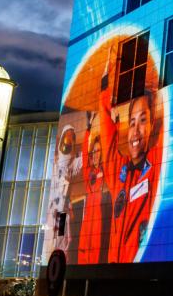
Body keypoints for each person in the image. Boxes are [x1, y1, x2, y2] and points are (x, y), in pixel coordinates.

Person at [99, 72, 161, 263]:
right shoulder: (118, 171)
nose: (135, 131)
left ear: (152, 125)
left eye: (142, 120)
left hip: (141, 266)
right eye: (132, 123)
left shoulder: (156, 166)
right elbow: (107, 134)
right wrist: (105, 89)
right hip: (114, 269)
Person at [77, 114, 110, 265]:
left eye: (99, 151)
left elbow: (111, 149)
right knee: (82, 255)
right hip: (86, 223)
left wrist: (114, 123)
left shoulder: (105, 170)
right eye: (94, 151)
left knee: (94, 258)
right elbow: (84, 153)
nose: (96, 154)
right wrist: (88, 129)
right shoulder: (88, 172)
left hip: (98, 220)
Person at [46, 125, 82, 256]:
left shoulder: (73, 164)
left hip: (62, 209)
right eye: (67, 135)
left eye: (72, 136)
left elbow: (84, 160)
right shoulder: (55, 163)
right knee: (53, 237)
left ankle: (61, 254)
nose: (69, 138)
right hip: (54, 208)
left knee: (61, 238)